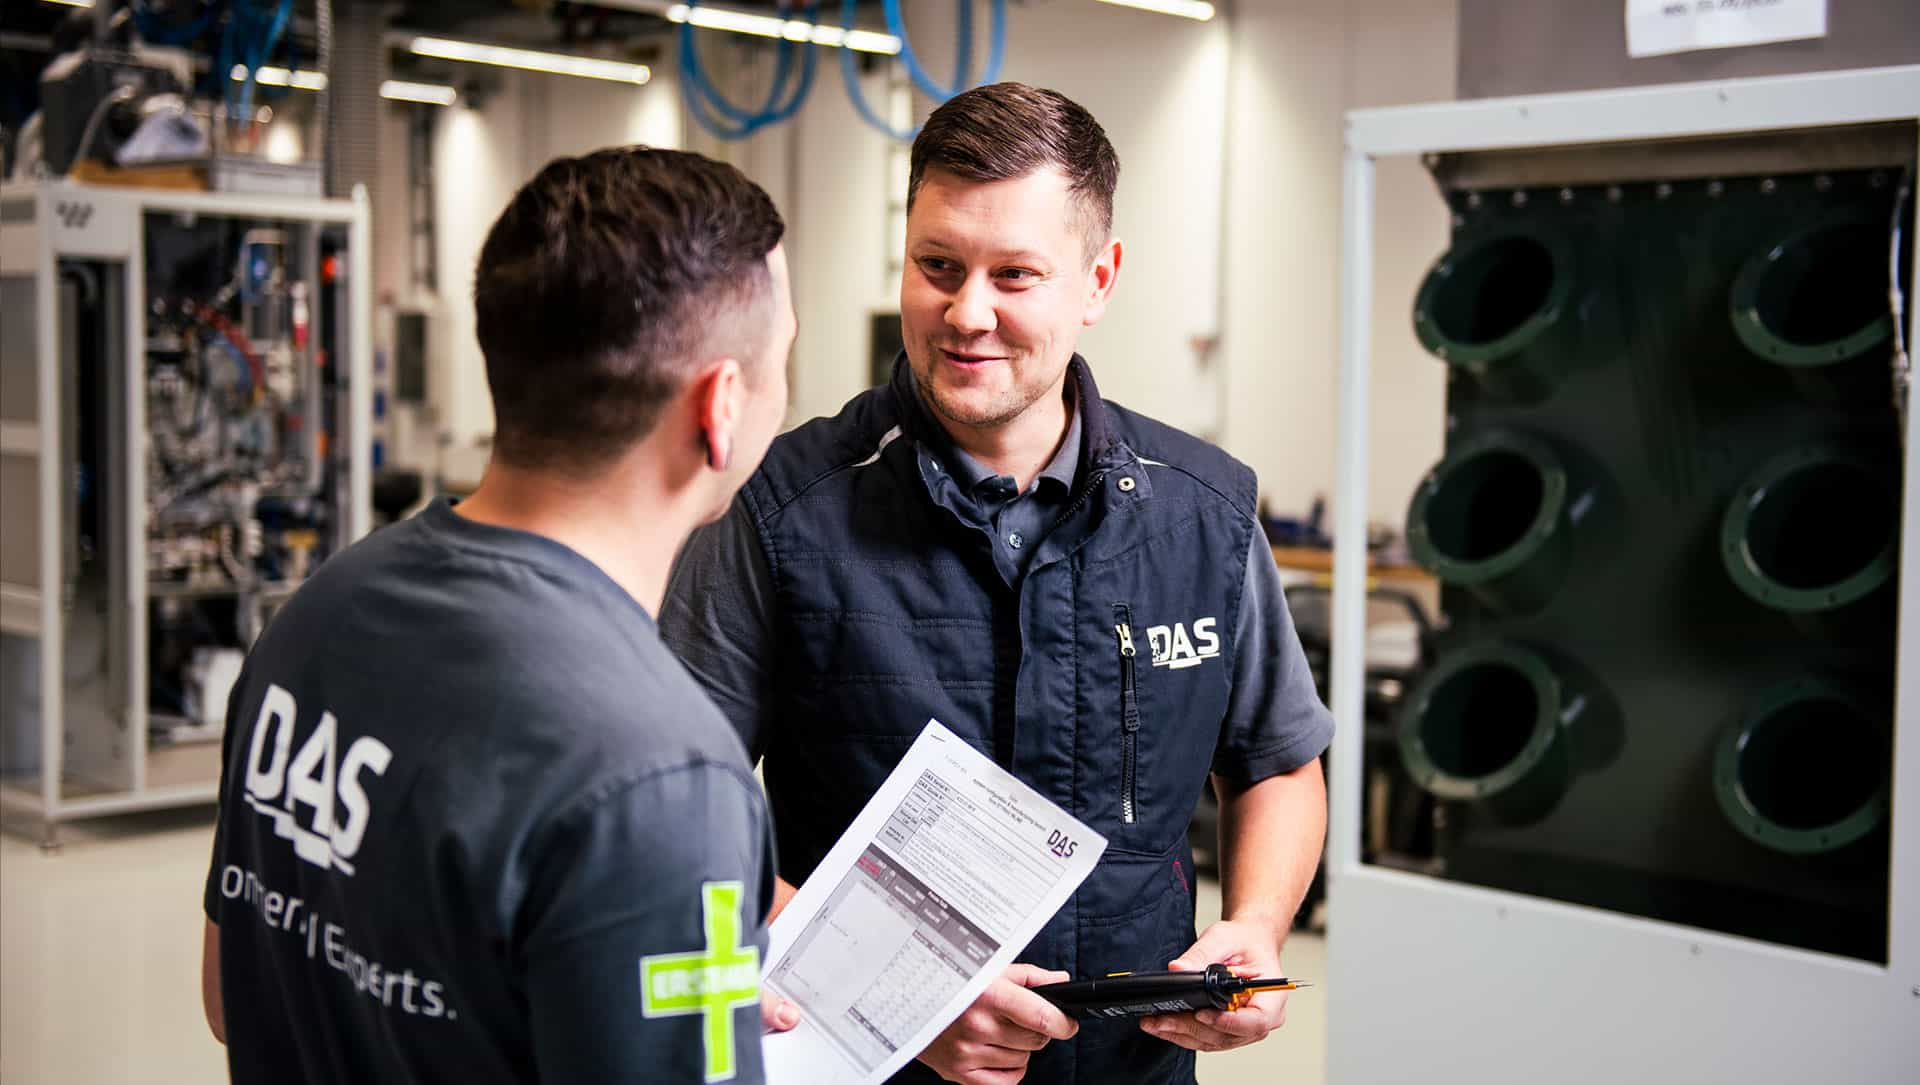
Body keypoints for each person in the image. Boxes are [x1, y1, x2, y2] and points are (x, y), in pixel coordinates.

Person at [661, 83, 1333, 1085]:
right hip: (861, 1063)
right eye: (938, 266)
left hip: (1126, 1067)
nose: (966, 312)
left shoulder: (1207, 514)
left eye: (1015, 274)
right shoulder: (777, 511)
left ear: (1098, 279)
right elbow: (669, 813)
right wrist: (891, 991)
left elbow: (1276, 760)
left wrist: (1255, 921)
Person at [200, 146, 798, 1083]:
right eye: (782, 360)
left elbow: (230, 998)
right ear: (720, 408)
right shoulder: (661, 772)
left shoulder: (313, 619)